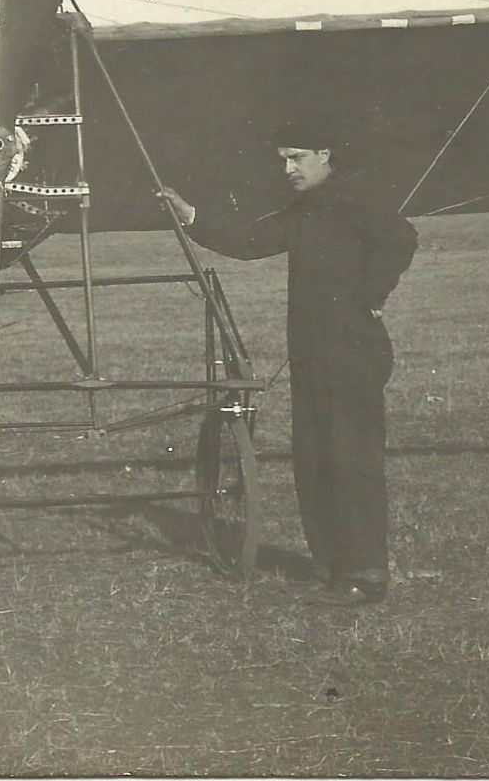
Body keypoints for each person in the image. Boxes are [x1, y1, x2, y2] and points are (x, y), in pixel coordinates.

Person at [159, 116, 418, 607]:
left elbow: (401, 239)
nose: (289, 170)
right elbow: (252, 242)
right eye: (283, 161)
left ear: (326, 155)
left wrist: (372, 292)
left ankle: (365, 573)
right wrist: (190, 214)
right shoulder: (308, 207)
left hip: (353, 351)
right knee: (315, 456)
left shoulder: (355, 197)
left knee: (351, 459)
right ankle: (331, 566)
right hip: (311, 351)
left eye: (297, 158)